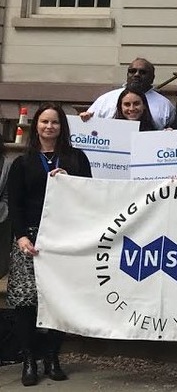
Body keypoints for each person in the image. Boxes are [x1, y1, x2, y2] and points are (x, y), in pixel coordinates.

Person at [8, 103, 92, 386]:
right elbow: (15, 204)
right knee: (25, 302)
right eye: (44, 122)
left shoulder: (76, 158)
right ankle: (29, 358)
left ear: (62, 127)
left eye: (55, 122)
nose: (49, 127)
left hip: (64, 239)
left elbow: (92, 193)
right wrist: (20, 237)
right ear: (37, 126)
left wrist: (71, 181)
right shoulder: (23, 162)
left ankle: (52, 356)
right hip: (29, 240)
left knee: (59, 299)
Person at [83, 58, 175, 130]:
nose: (136, 74)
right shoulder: (105, 100)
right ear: (127, 74)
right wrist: (84, 119)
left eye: (142, 72)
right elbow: (89, 128)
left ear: (152, 78)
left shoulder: (165, 105)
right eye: (132, 71)